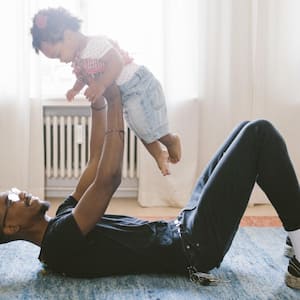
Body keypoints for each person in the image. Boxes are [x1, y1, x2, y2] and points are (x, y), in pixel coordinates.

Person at [1, 77, 300, 288]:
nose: (17, 193)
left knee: (245, 129)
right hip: (194, 247)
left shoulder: (61, 222)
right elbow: (108, 180)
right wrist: (116, 99)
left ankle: (295, 236)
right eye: (8, 201)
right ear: (11, 227)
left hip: (182, 226)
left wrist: (100, 104)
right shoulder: (59, 242)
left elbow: (94, 162)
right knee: (259, 134)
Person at [30, 7, 181, 176]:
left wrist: (101, 85)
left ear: (69, 36)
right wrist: (75, 89)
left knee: (145, 123)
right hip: (126, 93)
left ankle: (170, 139)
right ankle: (159, 154)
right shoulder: (79, 58)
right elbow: (83, 77)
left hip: (138, 84)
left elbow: (116, 61)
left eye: (59, 54)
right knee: (139, 126)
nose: (62, 60)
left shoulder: (95, 44)